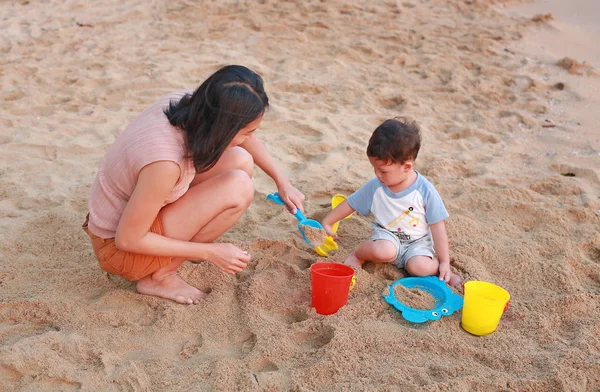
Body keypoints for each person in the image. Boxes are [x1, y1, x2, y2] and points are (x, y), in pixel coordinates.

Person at [83, 65, 305, 304]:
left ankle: (175, 253)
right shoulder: (166, 164)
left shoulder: (191, 104)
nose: (248, 138)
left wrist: (282, 182)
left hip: (140, 211)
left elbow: (245, 139)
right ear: (223, 128)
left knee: (241, 160)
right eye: (245, 132)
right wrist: (210, 252)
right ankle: (160, 276)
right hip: (120, 250)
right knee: (238, 186)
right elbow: (127, 239)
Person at [321, 117, 461, 286]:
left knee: (420, 267)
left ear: (407, 167)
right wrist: (328, 221)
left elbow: (438, 228)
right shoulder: (376, 186)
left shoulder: (425, 191)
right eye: (374, 168)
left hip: (418, 242)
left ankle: (441, 270)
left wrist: (445, 261)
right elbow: (351, 203)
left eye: (383, 171)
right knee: (384, 251)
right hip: (386, 236)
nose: (377, 175)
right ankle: (357, 255)